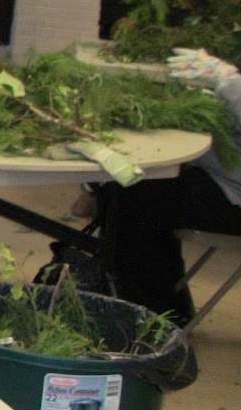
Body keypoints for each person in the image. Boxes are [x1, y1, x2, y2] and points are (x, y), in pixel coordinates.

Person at [98, 50, 241, 323]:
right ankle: (163, 306)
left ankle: (152, 319)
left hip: (235, 198)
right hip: (224, 179)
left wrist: (229, 83)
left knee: (138, 197)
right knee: (132, 184)